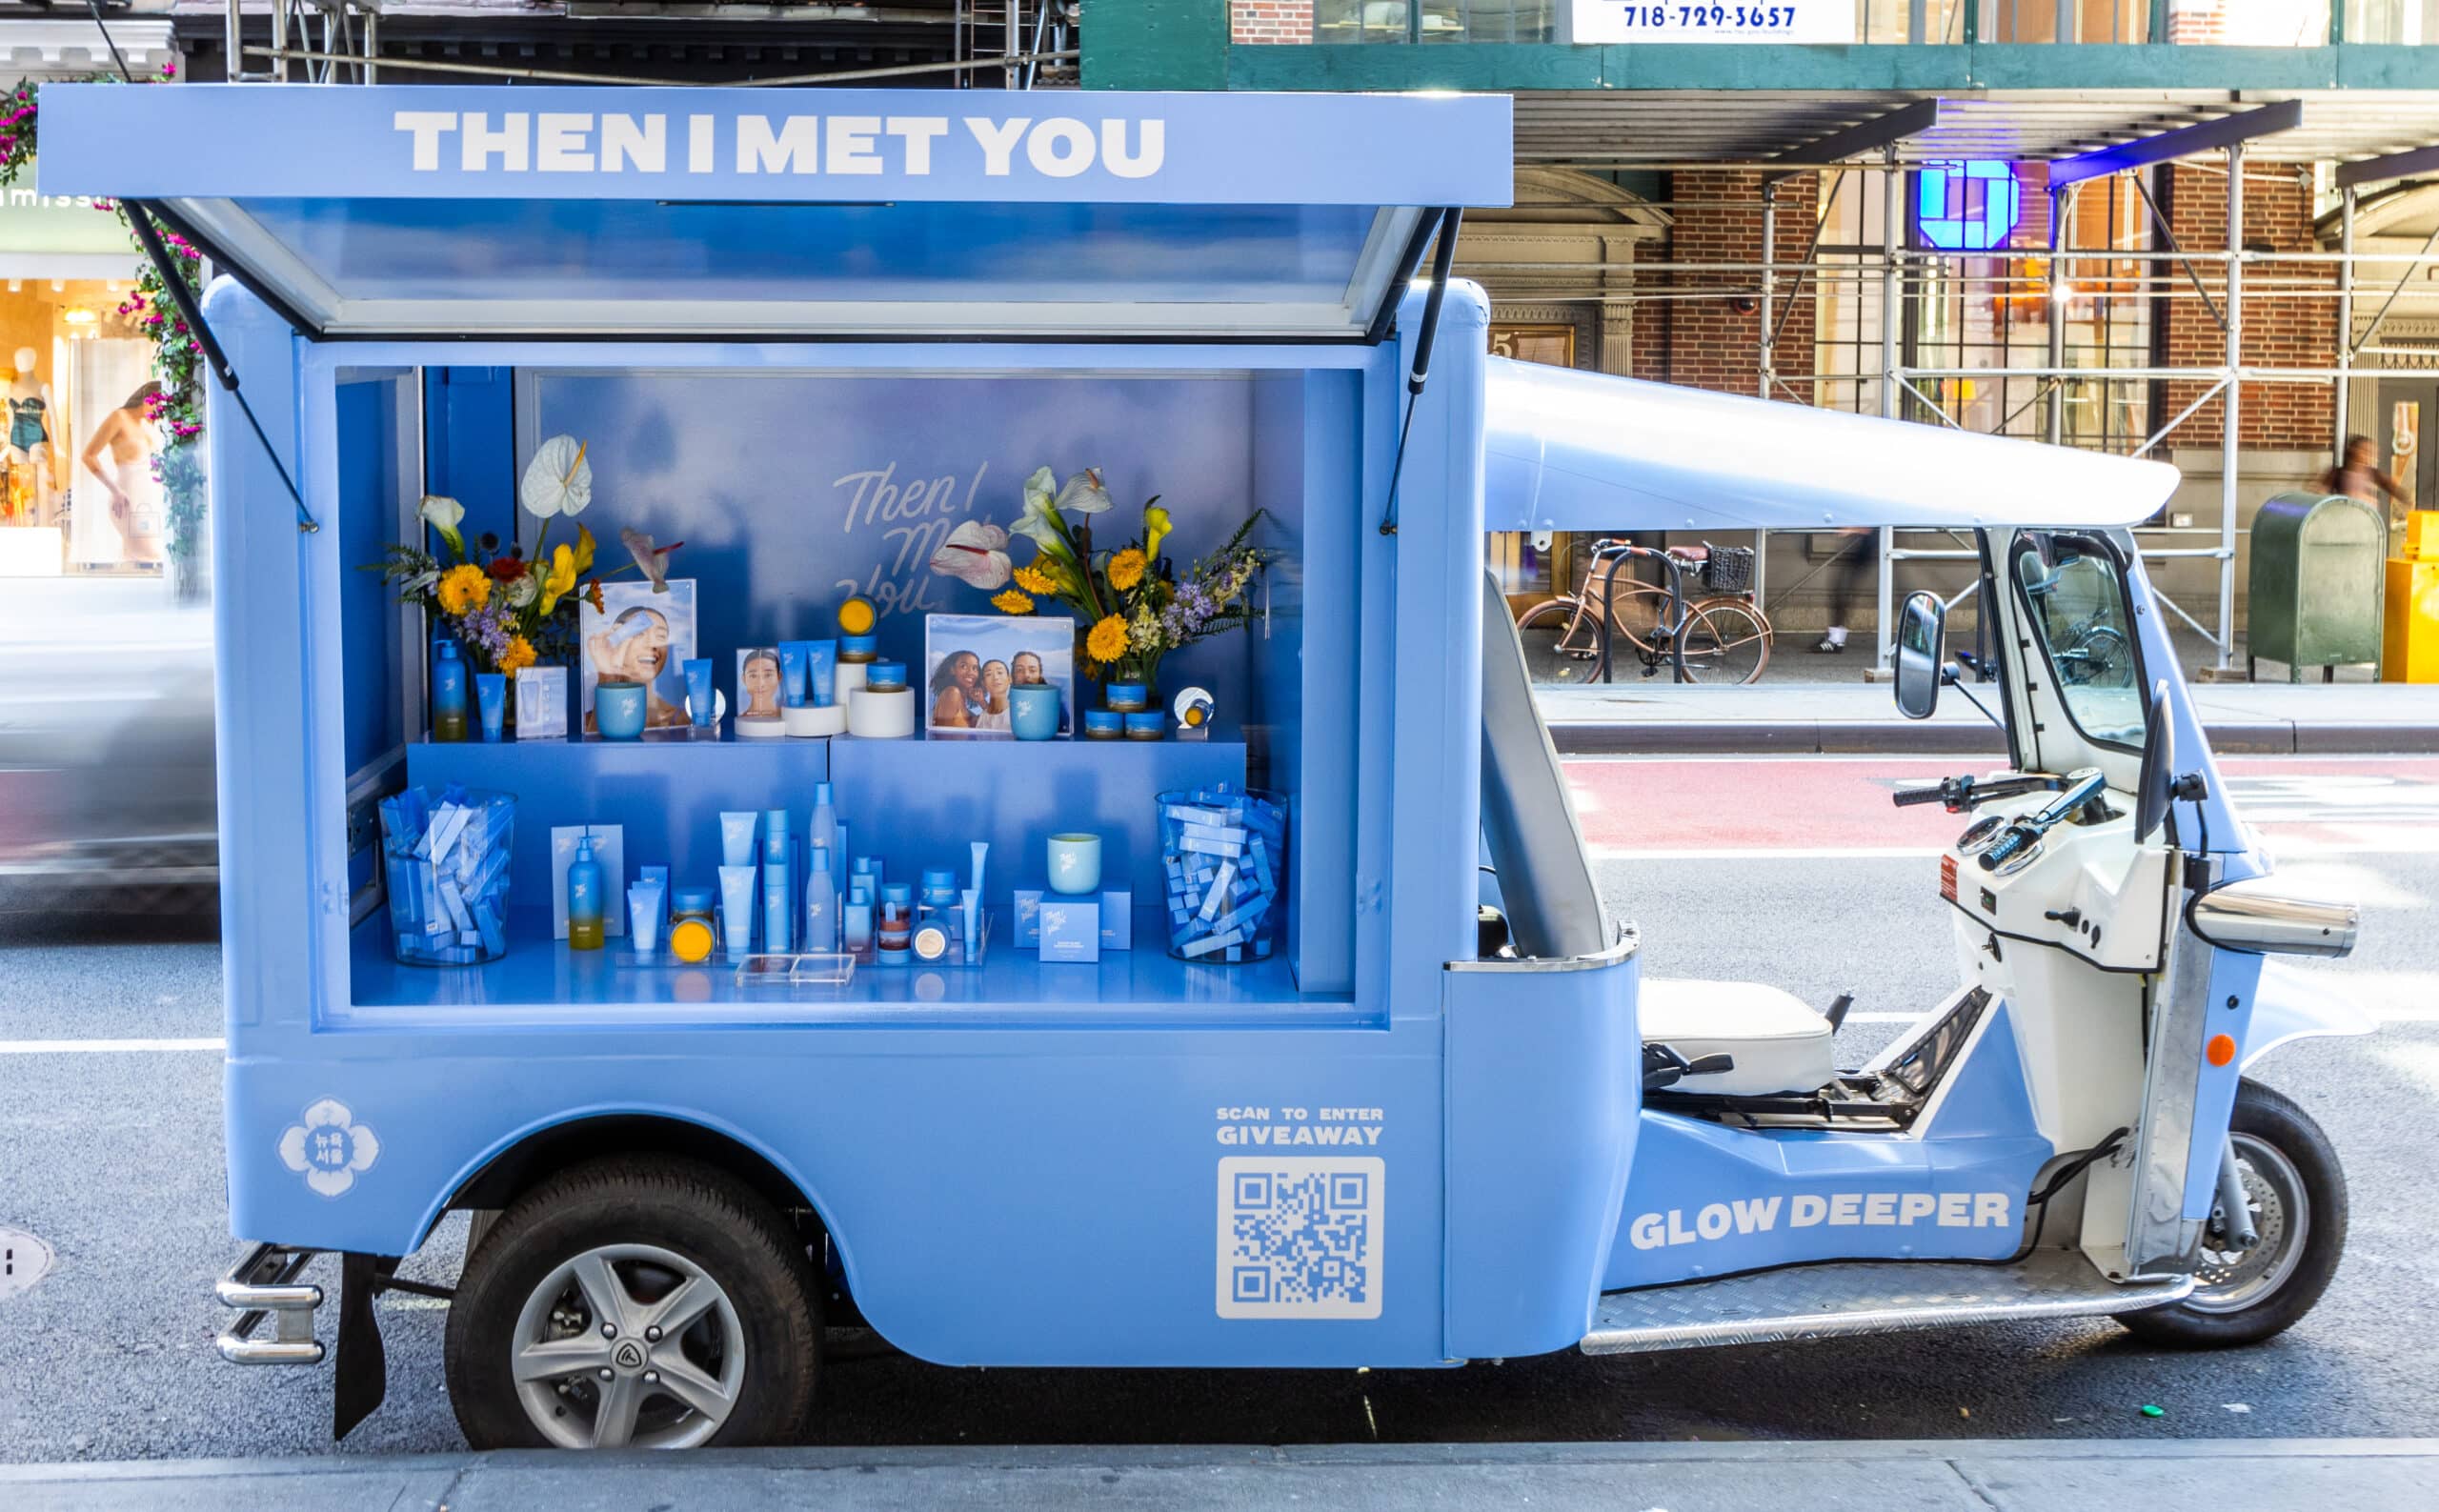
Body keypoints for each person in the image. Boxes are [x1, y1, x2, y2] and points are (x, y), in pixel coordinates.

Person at [79, 380, 163, 565]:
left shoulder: (143, 425)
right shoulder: (119, 418)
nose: (160, 414)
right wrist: (115, 490)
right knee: (146, 555)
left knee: (139, 556)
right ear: (149, 399)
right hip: (127, 499)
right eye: (159, 405)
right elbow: (88, 456)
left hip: (147, 501)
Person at [584, 605, 683, 729]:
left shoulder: (681, 720)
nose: (653, 644)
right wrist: (606, 677)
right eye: (639, 634)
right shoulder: (589, 720)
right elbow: (595, 747)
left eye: (661, 636)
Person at [2320, 434, 2411, 524]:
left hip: (2364, 521)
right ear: (2354, 450)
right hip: (2342, 519)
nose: (2370, 455)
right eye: (2365, 451)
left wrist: (2406, 499)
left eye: (2371, 453)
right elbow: (2321, 493)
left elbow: (2391, 487)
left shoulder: (2373, 473)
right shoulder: (2337, 473)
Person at [1814, 527, 1875, 655]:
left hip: (1870, 543)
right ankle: (1836, 639)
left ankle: (1835, 640)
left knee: (1843, 591)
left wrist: (1854, 529)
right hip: (1865, 543)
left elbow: (1872, 526)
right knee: (1842, 591)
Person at [931, 650, 980, 730]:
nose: (971, 672)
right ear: (952, 670)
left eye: (974, 668)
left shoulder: (968, 712)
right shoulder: (952, 693)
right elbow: (942, 737)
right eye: (963, 666)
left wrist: (982, 702)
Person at [739, 648, 782, 720]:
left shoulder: (786, 716)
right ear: (744, 679)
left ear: (779, 677)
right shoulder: (742, 719)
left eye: (768, 675)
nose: (761, 684)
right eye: (753, 676)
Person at [976, 658, 1013, 733]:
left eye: (1000, 672)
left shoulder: (1017, 714)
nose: (995, 678)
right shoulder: (982, 718)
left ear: (1009, 679)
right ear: (983, 683)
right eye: (988, 674)